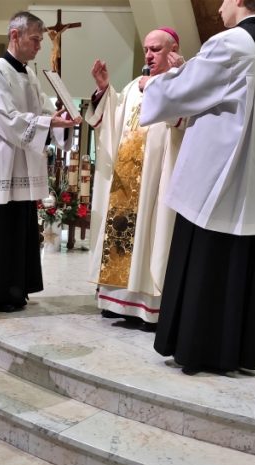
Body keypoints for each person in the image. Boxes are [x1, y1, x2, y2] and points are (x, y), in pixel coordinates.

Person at [139, 0, 255, 374]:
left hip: (217, 178)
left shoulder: (229, 43)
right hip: (254, 182)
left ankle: (195, 348)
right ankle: (233, 352)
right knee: (237, 265)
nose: (219, 9)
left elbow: (184, 89)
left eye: (224, 0)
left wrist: (153, 84)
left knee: (204, 262)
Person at [0, 11, 80, 312]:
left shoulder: (29, 75)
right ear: (15, 35)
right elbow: (6, 118)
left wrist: (62, 119)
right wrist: (48, 121)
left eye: (40, 41)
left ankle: (15, 291)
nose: (39, 46)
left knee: (16, 232)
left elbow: (44, 110)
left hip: (21, 166)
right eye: (35, 40)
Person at [85, 28, 186, 328]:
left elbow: (183, 120)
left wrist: (167, 83)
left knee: (152, 238)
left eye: (156, 49)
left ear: (173, 50)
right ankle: (116, 301)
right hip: (125, 183)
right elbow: (110, 119)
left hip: (157, 180)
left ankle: (147, 308)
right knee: (122, 235)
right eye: (146, 49)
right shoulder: (133, 87)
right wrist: (104, 90)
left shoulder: (181, 83)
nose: (149, 55)